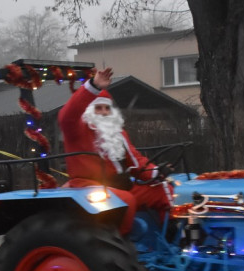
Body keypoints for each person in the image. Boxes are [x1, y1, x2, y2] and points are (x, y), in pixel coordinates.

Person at [57, 66, 173, 234]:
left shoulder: (117, 132)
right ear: (89, 111)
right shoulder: (76, 130)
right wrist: (93, 86)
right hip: (90, 187)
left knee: (164, 189)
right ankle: (121, 246)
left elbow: (135, 160)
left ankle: (169, 237)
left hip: (121, 185)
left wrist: (156, 172)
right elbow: (67, 115)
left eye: (107, 108)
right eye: (98, 108)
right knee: (127, 200)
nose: (104, 112)